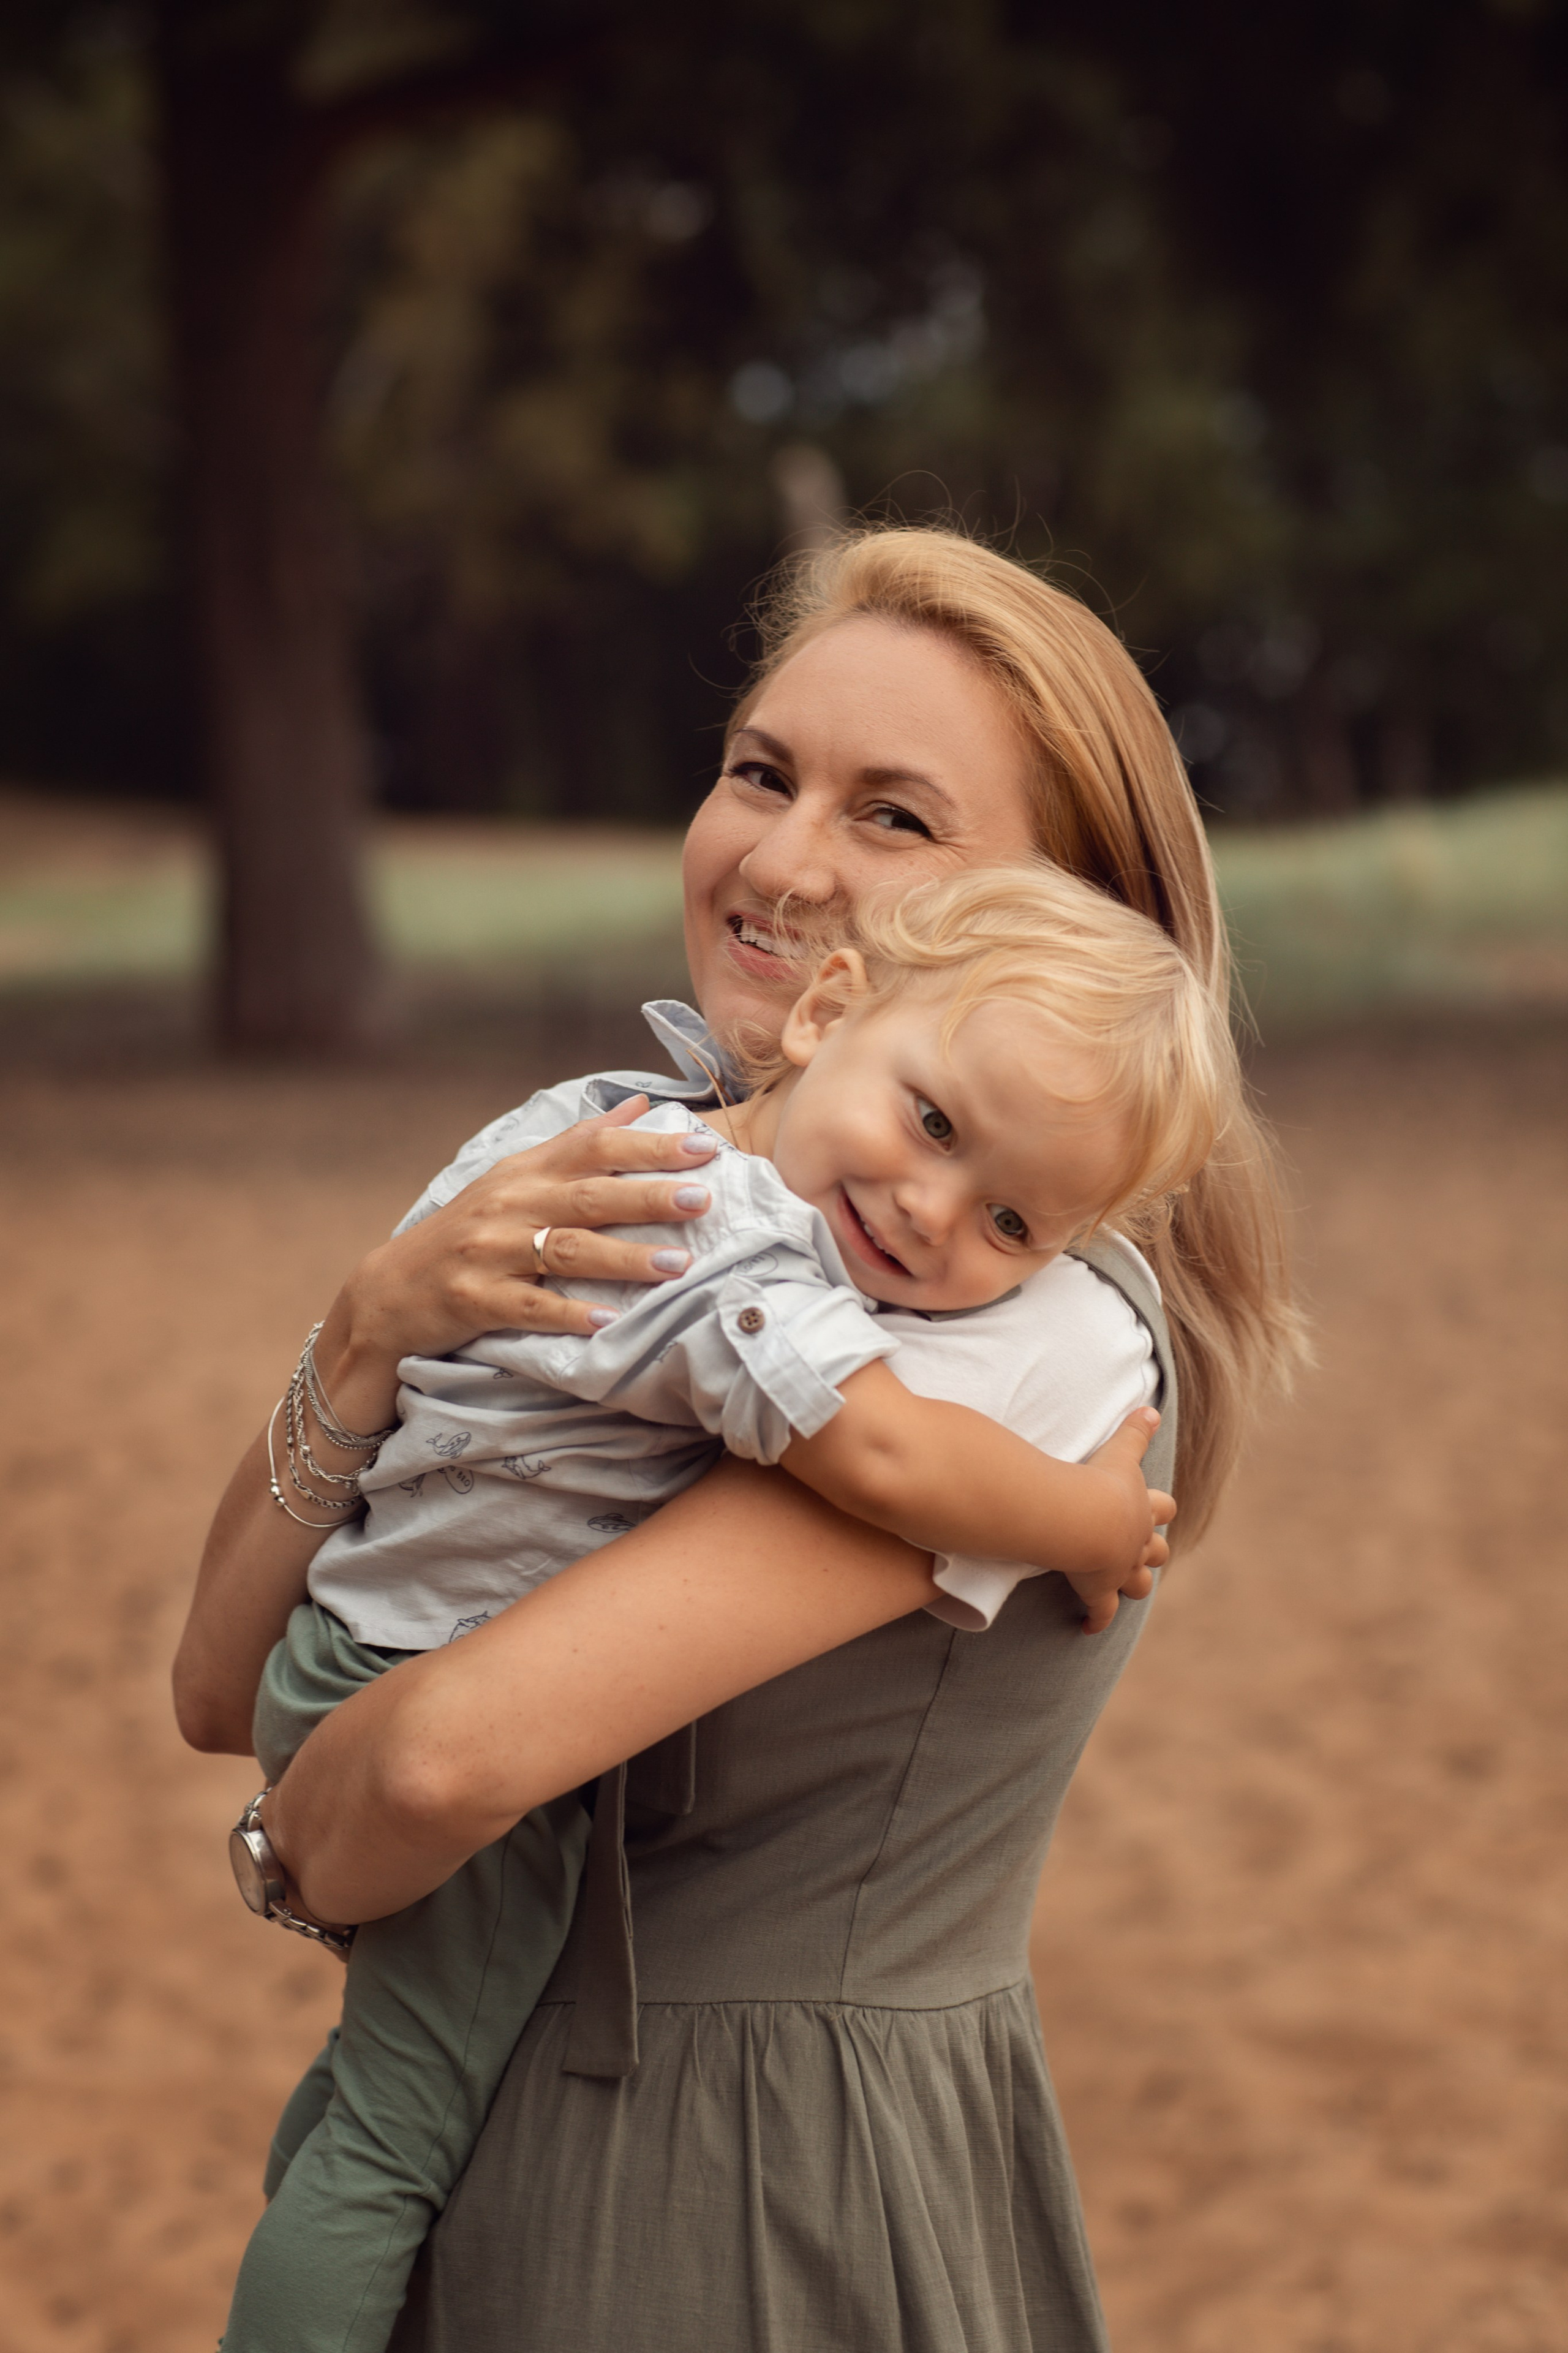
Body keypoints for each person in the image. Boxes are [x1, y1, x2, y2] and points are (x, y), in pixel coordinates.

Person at [177, 527, 1303, 2353]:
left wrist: (286, 1850)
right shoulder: (636, 1155)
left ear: (1072, 917)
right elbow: (211, 1685)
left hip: (744, 2196)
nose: (783, 862)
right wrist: (372, 1322)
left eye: (895, 817)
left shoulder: (1021, 1325)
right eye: (762, 775)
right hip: (518, 2152)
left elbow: (437, 1768)